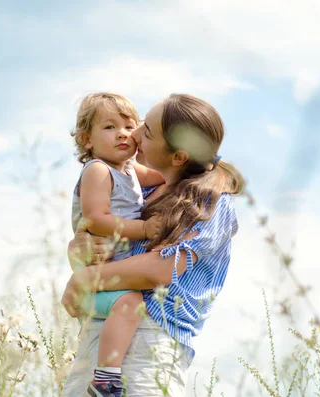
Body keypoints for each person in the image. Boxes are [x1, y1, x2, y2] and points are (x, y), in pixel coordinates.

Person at [61, 93, 244, 397]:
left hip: (149, 348)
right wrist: (79, 248)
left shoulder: (209, 203)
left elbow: (160, 268)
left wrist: (84, 278)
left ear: (178, 157)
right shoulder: (139, 194)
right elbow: (103, 242)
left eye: (145, 131)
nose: (132, 135)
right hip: (98, 339)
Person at [69, 92, 164, 397]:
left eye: (129, 126)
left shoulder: (129, 170)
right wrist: (144, 228)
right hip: (98, 277)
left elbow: (165, 176)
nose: (122, 133)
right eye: (109, 127)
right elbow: (97, 219)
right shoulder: (98, 170)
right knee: (131, 303)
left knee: (130, 303)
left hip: (110, 277)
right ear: (87, 140)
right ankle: (105, 380)